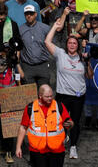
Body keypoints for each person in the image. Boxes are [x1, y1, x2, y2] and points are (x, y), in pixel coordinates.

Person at [44, 11, 85, 160]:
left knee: (73, 122)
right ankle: (60, 141)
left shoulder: (82, 58)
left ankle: (73, 146)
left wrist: (88, 61)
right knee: (59, 120)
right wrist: (55, 27)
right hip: (62, 94)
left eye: (75, 43)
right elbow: (47, 42)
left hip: (78, 96)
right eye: (70, 43)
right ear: (66, 44)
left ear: (77, 45)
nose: (72, 45)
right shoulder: (60, 54)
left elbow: (90, 75)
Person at [15, 84, 72, 167]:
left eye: (51, 96)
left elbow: (69, 122)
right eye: (47, 97)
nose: (50, 99)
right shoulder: (30, 108)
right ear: (40, 95)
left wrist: (70, 124)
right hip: (37, 152)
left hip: (57, 151)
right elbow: (23, 128)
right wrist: (18, 147)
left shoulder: (58, 106)